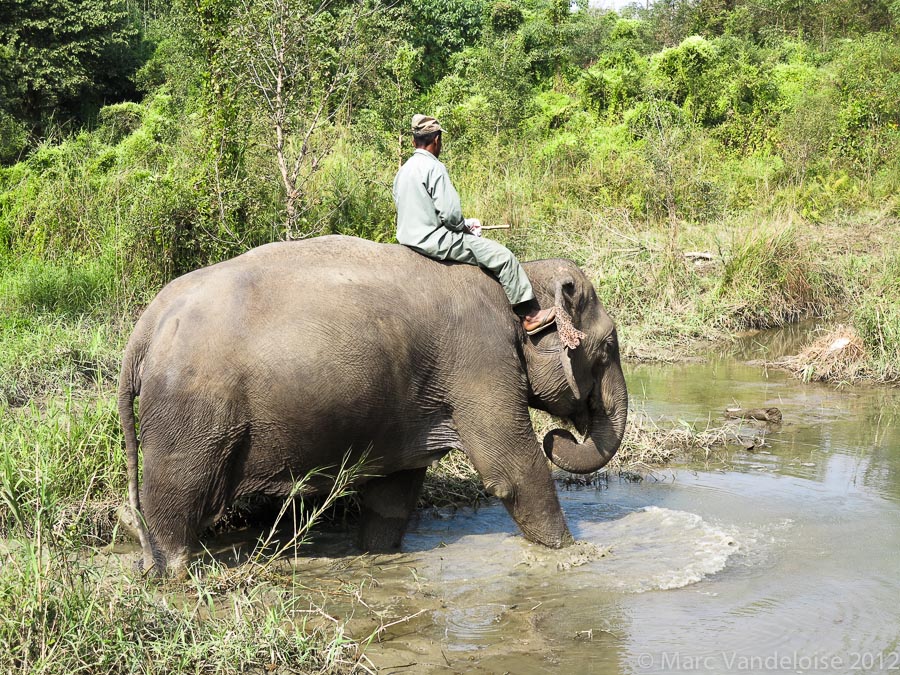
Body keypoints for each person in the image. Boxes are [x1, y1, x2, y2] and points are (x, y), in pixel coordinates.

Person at [392, 114, 556, 334]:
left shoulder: (403, 171)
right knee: (504, 258)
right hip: (433, 241)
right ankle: (530, 316)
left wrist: (461, 224)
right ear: (437, 140)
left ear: (414, 141)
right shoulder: (434, 167)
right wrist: (465, 227)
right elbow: (450, 215)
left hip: (407, 237)